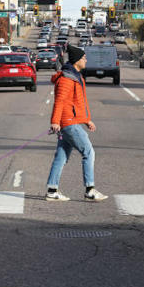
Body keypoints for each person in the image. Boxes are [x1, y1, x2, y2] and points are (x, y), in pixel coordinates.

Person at [46, 44, 108, 202]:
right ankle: (90, 189)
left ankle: (52, 191)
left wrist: (86, 120)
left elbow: (76, 102)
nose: (86, 59)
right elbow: (59, 102)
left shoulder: (75, 76)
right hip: (68, 123)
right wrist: (55, 121)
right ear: (76, 61)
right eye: (84, 57)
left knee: (61, 157)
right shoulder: (67, 79)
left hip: (70, 121)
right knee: (88, 152)